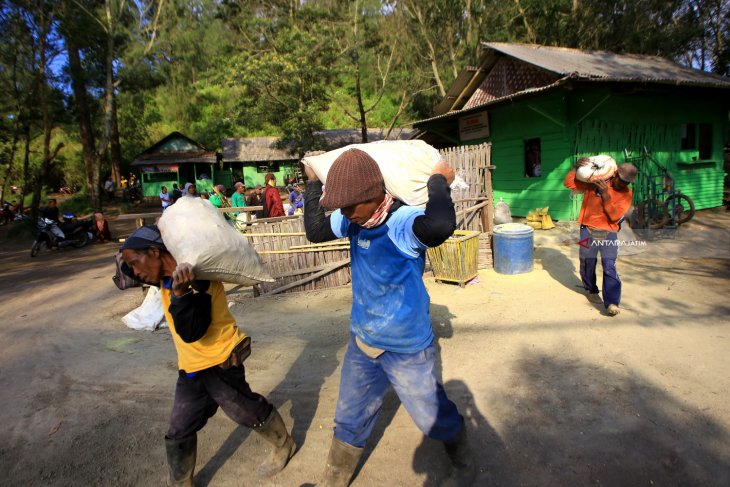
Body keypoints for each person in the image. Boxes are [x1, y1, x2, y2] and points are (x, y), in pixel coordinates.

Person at [303, 149, 473, 487]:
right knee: (349, 417)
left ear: (375, 195)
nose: (346, 214)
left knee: (431, 419)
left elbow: (439, 224)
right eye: (342, 208)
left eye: (351, 206)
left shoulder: (401, 222)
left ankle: (458, 445)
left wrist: (439, 180)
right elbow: (315, 230)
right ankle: (335, 478)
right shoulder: (354, 218)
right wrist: (311, 183)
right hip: (363, 341)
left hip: (407, 348)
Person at [120, 226, 296, 485]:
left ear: (155, 252)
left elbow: (192, 331)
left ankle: (284, 444)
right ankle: (181, 482)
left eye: (136, 263)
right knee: (179, 428)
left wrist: (181, 294)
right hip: (191, 367)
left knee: (246, 411)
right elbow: (127, 272)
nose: (135, 272)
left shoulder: (199, 279)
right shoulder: (161, 276)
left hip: (219, 361)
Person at [563, 160, 636, 316]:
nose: (623, 185)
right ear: (615, 174)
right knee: (587, 261)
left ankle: (612, 302)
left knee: (609, 266)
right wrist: (576, 168)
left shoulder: (626, 193)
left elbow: (615, 215)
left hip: (609, 233)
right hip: (586, 230)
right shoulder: (596, 180)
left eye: (627, 183)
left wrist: (605, 196)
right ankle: (591, 289)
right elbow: (569, 184)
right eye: (622, 181)